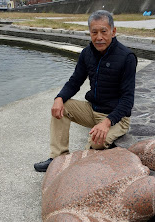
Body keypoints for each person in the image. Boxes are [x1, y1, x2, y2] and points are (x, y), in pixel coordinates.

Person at [34, 10, 137, 172]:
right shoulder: (87, 54)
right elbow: (75, 82)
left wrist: (107, 122)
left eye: (104, 31)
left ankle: (78, 165)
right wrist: (59, 98)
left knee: (96, 142)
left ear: (113, 31)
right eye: (94, 32)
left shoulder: (126, 57)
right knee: (62, 106)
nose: (99, 37)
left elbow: (127, 100)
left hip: (117, 118)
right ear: (89, 33)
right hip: (92, 110)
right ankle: (58, 158)